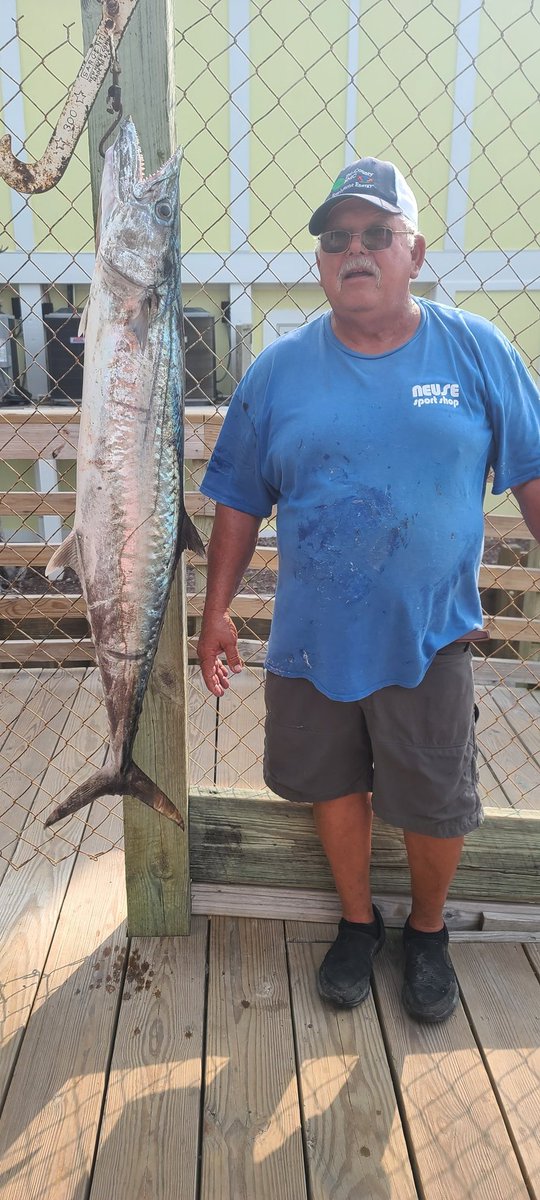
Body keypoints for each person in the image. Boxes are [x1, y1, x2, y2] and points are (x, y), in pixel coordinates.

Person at [196, 156, 540, 1023]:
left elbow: (534, 478)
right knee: (333, 787)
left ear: (414, 251)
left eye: (376, 234)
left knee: (435, 801)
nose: (355, 251)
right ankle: (358, 922)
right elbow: (237, 497)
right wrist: (215, 611)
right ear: (319, 263)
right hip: (312, 637)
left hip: (431, 634)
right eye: (336, 239)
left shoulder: (479, 349)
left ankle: (427, 932)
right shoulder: (276, 371)